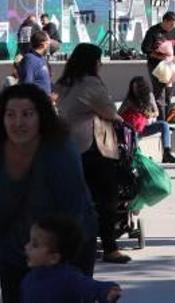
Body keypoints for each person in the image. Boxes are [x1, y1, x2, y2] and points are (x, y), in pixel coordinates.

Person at [0, 84, 97, 302]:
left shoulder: (59, 150)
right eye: (10, 114)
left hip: (63, 251)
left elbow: (74, 209)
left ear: (40, 116)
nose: (18, 123)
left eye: (27, 114)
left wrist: (57, 259)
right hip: (14, 251)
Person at [55, 44, 131, 264]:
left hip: (67, 147)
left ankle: (69, 246)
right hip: (92, 147)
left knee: (74, 199)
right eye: (98, 61)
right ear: (92, 62)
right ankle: (110, 247)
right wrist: (119, 120)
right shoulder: (91, 84)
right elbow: (109, 111)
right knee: (106, 198)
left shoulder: (64, 83)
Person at [21, 215, 121, 303]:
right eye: (29, 241)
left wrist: (107, 290)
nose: (26, 246)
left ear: (54, 258)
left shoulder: (67, 278)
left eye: (35, 245)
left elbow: (89, 286)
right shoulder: (29, 278)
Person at [118, 76, 175, 164]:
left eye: (137, 88)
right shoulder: (129, 100)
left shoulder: (149, 96)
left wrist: (147, 113)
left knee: (164, 125)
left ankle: (167, 152)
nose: (135, 90)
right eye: (133, 88)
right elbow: (119, 113)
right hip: (131, 129)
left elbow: (156, 112)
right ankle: (135, 155)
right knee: (132, 133)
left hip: (144, 126)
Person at [141, 12, 175, 121]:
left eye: (174, 24)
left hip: (170, 66)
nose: (173, 27)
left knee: (168, 94)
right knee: (159, 94)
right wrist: (161, 57)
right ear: (164, 21)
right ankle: (161, 122)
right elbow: (145, 49)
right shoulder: (153, 31)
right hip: (156, 66)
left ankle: (166, 121)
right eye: (171, 24)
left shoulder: (174, 32)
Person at [17, 31, 52, 96]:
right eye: (48, 43)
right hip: (37, 103)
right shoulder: (29, 59)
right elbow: (27, 85)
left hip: (46, 102)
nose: (49, 46)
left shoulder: (42, 59)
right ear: (43, 44)